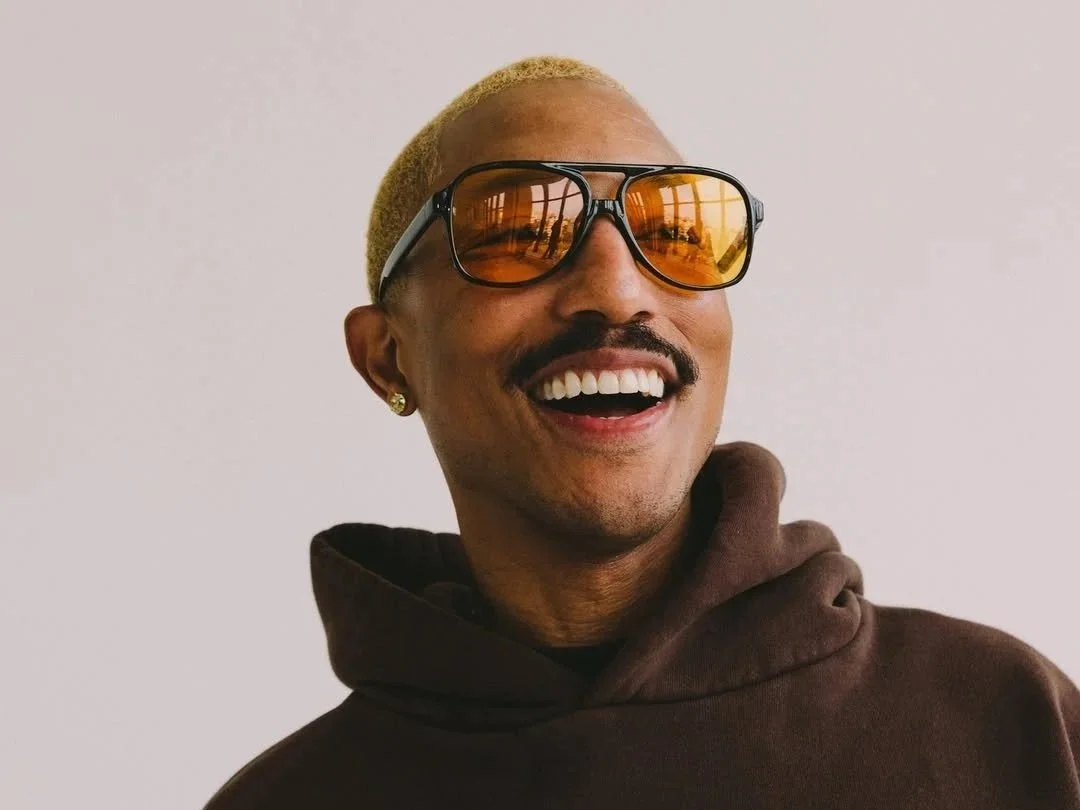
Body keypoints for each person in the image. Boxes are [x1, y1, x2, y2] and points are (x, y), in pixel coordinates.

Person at [203, 56, 1080, 809]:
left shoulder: (1009, 722)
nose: (619, 290)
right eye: (520, 230)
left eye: (676, 230)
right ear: (387, 357)